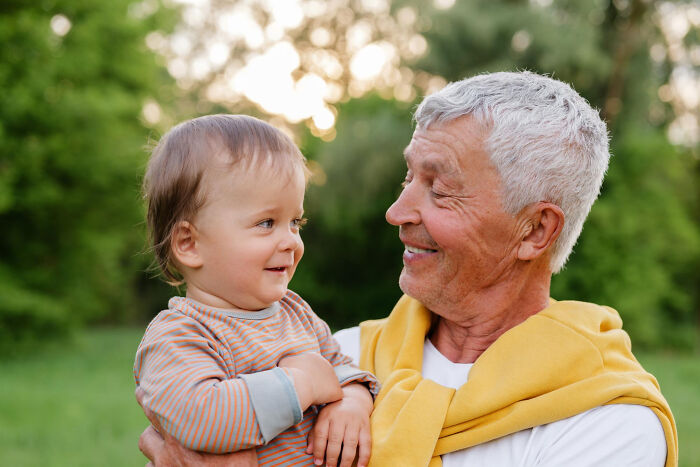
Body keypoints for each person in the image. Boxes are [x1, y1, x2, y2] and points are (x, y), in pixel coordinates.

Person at [137, 72, 678, 466]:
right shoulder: (344, 357)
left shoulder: (607, 424)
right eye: (407, 180)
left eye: (438, 190)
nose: (396, 213)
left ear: (534, 231)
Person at [134, 114, 378, 467]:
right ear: (189, 243)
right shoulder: (178, 335)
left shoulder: (297, 313)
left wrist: (352, 401)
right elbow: (201, 418)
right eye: (267, 223)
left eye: (295, 222)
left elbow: (340, 368)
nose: (291, 241)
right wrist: (301, 383)